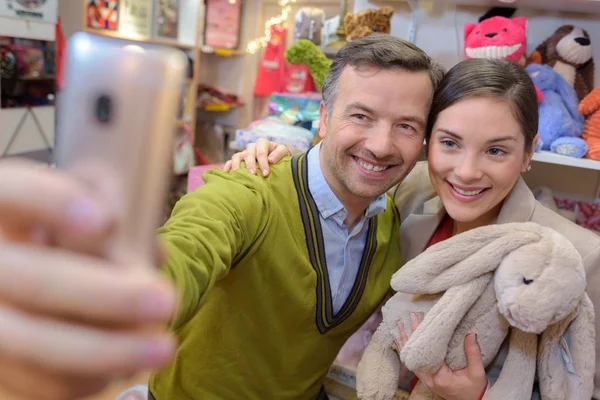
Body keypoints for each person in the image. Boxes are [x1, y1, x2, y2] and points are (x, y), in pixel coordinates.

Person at [0, 33, 489, 400]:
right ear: (322, 117)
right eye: (360, 116)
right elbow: (188, 250)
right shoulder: (247, 192)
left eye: (405, 126)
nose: (381, 145)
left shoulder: (396, 208)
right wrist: (104, 296)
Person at [225, 57, 600, 399]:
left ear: (529, 152)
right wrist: (277, 162)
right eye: (450, 143)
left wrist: (482, 396)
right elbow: (340, 172)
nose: (467, 171)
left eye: (496, 151)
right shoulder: (409, 191)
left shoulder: (583, 258)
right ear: (427, 140)